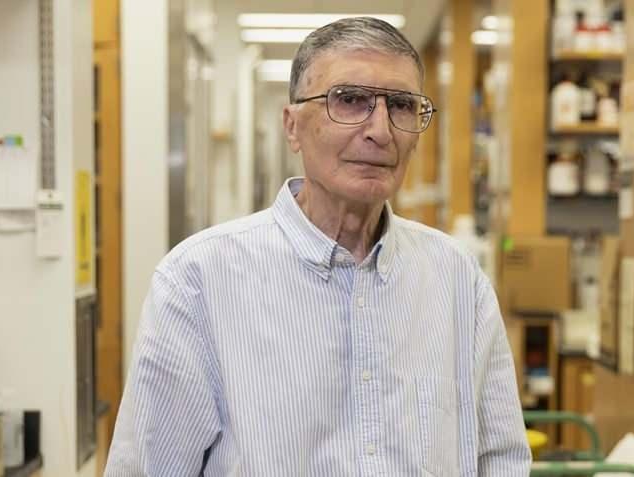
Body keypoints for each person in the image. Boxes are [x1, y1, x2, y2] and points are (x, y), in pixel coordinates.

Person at [105, 16, 530, 476]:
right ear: (292, 127)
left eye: (402, 106)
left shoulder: (457, 278)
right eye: (349, 100)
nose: (381, 130)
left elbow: (501, 458)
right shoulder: (198, 282)